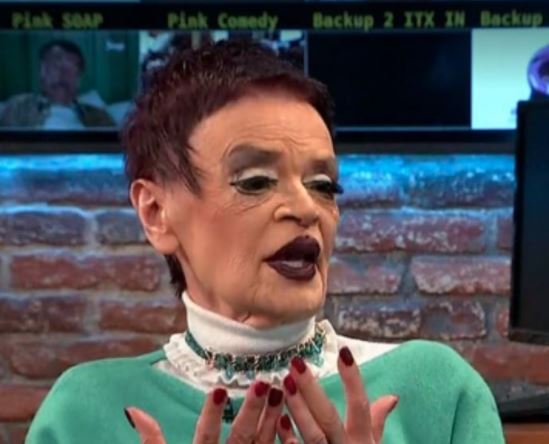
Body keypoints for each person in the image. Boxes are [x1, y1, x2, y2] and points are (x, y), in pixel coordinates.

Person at [25, 40, 504, 443]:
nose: (306, 208)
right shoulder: (85, 414)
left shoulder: (435, 392)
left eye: (324, 185)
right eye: (255, 181)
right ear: (155, 213)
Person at [0, 39, 114, 129]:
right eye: (54, 67)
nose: (62, 74)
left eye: (70, 69)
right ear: (41, 73)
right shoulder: (19, 106)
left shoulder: (98, 116)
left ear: (80, 77)